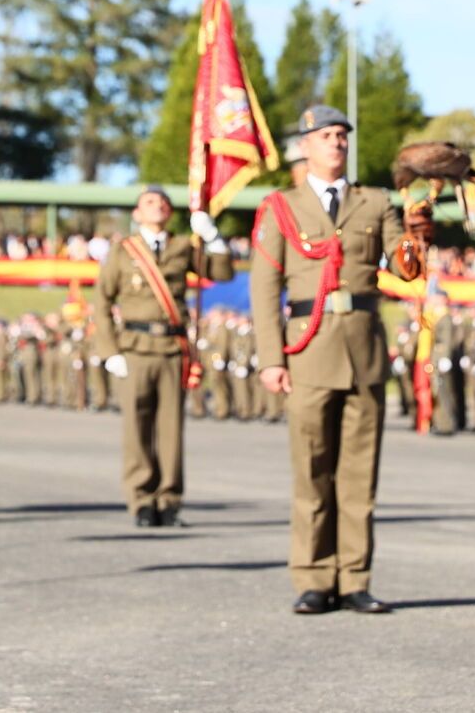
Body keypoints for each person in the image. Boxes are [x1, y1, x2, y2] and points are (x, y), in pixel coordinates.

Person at [251, 106, 427, 615]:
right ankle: (313, 577)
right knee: (312, 470)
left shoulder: (375, 203)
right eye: (326, 136)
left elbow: (406, 269)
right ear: (305, 146)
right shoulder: (281, 207)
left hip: (363, 348)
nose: (337, 143)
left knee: (358, 474)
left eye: (342, 135)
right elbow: (265, 289)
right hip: (307, 347)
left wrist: (418, 233)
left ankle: (354, 577)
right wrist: (270, 357)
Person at [94, 185, 234, 526]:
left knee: (171, 429)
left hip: (172, 349)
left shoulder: (183, 247)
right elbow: (101, 302)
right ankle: (141, 499)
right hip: (135, 348)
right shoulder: (123, 251)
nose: (158, 207)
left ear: (170, 213)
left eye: (163, 203)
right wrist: (110, 351)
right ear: (137, 214)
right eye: (150, 202)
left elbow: (222, 273)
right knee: (137, 428)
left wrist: (212, 237)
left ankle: (169, 501)